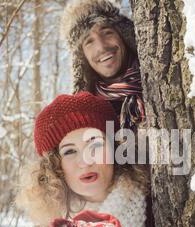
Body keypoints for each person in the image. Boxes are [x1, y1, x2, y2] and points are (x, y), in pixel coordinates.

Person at [16, 92, 160, 227]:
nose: (85, 161)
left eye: (95, 144)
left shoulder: (156, 202)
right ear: (54, 168)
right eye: (69, 152)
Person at [61, 0, 146, 131]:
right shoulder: (88, 118)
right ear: (82, 58)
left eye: (107, 32)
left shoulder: (158, 80)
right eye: (89, 41)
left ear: (123, 35)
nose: (101, 46)